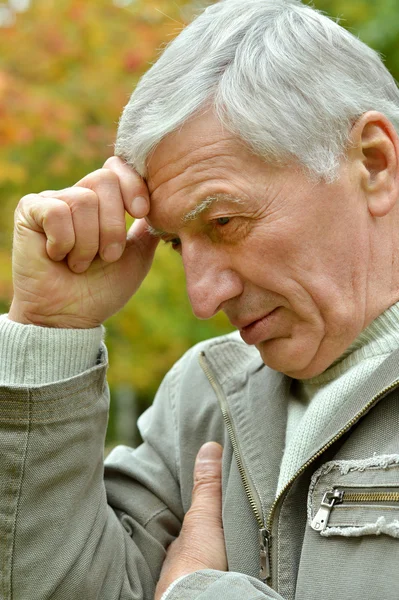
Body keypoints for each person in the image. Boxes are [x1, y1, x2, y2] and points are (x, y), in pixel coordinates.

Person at [2, 0, 399, 598]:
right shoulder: (203, 394)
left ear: (374, 161)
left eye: (223, 221)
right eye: (172, 245)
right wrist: (50, 329)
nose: (202, 297)